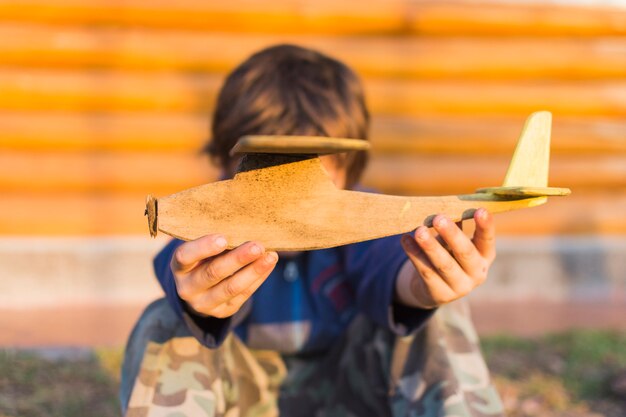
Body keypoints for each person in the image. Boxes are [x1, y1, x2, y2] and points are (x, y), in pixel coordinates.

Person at [120, 44, 504, 417]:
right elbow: (178, 266)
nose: (277, 194)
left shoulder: (362, 226)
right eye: (264, 175)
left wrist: (424, 287)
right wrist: (196, 300)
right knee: (166, 320)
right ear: (226, 166)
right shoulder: (214, 230)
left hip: (353, 392)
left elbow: (388, 263)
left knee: (436, 315)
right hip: (246, 397)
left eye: (300, 172)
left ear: (347, 174)